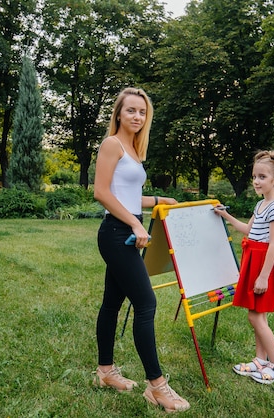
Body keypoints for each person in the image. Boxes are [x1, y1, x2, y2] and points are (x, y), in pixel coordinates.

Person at [93, 87, 190, 412]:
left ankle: (105, 372)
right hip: (117, 233)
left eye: (142, 112)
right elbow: (102, 193)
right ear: (119, 113)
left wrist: (158, 201)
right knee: (146, 303)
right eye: (131, 110)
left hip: (125, 232)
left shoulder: (134, 150)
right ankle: (157, 387)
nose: (137, 116)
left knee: (111, 304)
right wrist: (136, 224)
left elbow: (129, 196)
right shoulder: (112, 144)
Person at [213, 150, 274, 384]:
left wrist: (263, 276)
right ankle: (259, 361)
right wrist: (226, 216)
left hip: (263, 265)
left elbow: (273, 244)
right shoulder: (261, 204)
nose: (256, 181)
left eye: (262, 177)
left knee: (256, 318)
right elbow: (248, 230)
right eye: (255, 176)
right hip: (252, 260)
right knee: (257, 316)